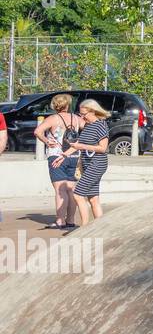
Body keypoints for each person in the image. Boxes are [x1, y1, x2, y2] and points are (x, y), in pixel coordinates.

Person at [33, 93, 80, 231]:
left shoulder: (52, 119)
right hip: (73, 155)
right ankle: (70, 220)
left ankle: (60, 221)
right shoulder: (76, 118)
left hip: (56, 156)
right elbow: (88, 127)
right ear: (68, 105)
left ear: (55, 105)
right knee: (71, 190)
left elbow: (37, 131)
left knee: (60, 190)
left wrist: (47, 141)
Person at [69, 99, 111, 226]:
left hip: (97, 163)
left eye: (84, 114)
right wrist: (64, 155)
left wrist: (82, 146)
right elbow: (78, 145)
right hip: (88, 164)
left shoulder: (101, 125)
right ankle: (101, 226)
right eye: (80, 114)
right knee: (93, 198)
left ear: (93, 111)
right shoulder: (87, 126)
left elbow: (103, 148)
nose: (82, 117)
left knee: (77, 194)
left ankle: (85, 226)